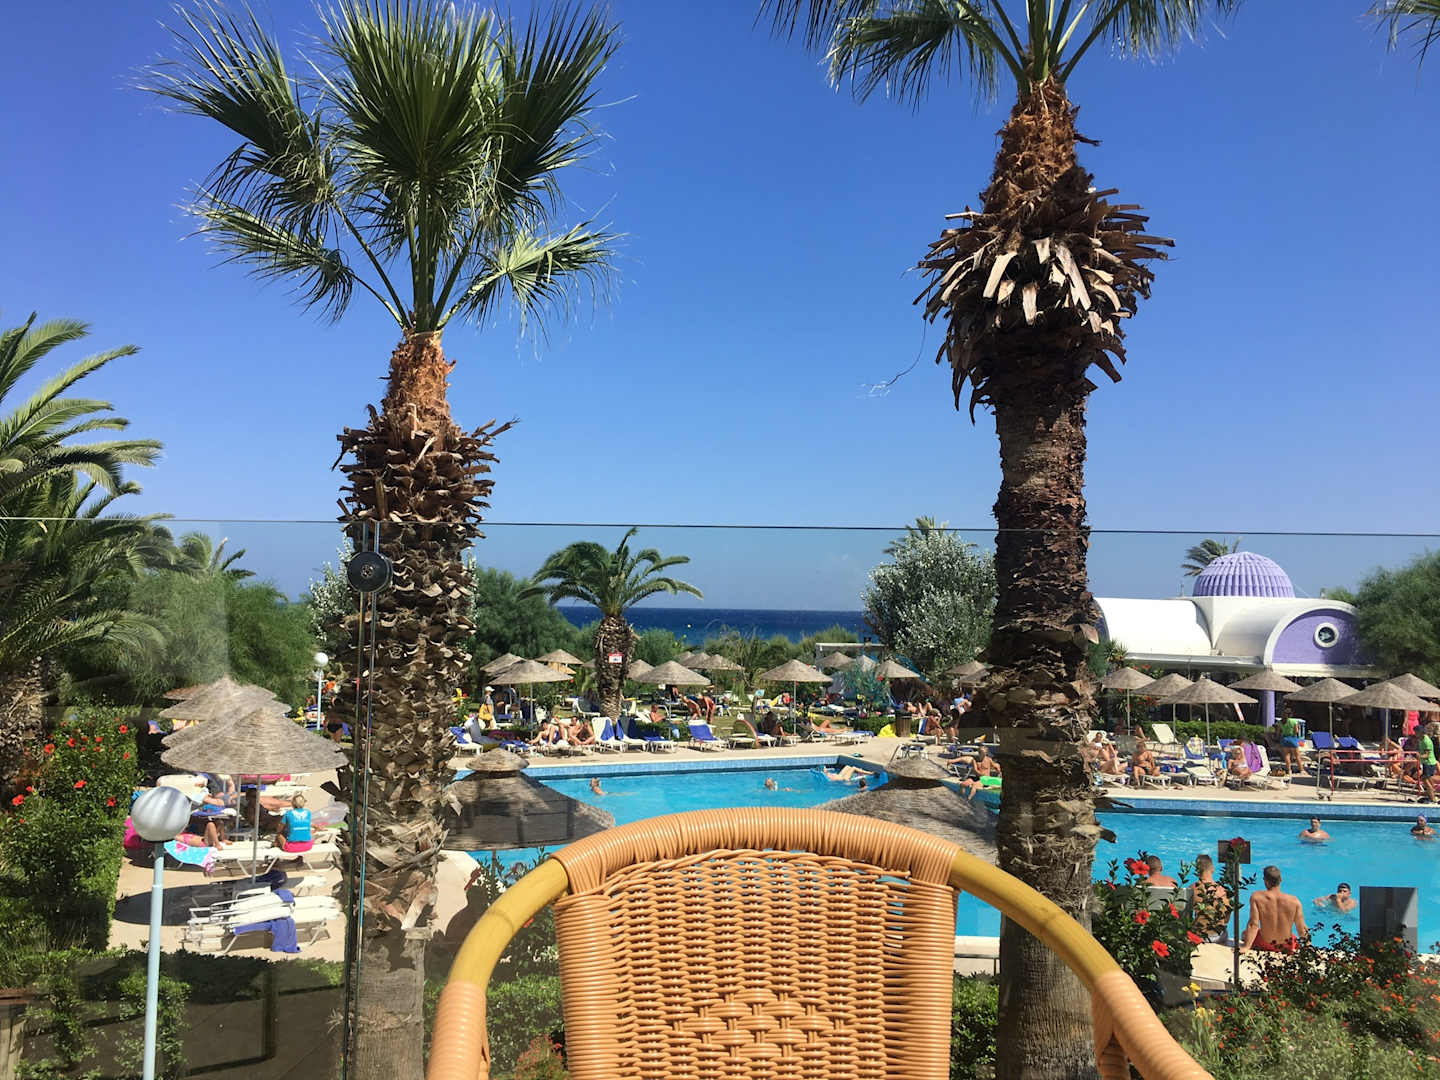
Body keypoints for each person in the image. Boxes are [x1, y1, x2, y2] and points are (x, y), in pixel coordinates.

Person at [1240, 865, 1307, 954]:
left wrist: (1246, 947)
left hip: (1265, 944)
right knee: (1293, 938)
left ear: (1265, 881)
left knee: (1244, 934)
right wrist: (1309, 948)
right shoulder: (1294, 901)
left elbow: (1253, 924)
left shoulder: (1257, 897)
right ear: (1281, 880)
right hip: (1287, 945)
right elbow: (1301, 928)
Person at [1190, 854, 1232, 942]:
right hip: (1219, 936)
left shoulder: (1192, 889)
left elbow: (1185, 916)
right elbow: (1226, 920)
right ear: (1212, 869)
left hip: (1200, 936)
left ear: (1197, 870)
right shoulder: (1224, 891)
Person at [1278, 707, 1304, 775]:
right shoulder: (1294, 721)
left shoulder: (1280, 722)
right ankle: (1301, 770)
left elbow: (1279, 732)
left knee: (1287, 755)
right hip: (1292, 738)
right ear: (1291, 714)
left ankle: (1289, 770)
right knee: (1297, 756)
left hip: (1285, 739)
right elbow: (1296, 731)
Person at [1418, 723, 1438, 803]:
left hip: (1429, 763)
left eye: (1416, 732)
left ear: (1420, 732)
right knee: (1428, 780)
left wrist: (1419, 756)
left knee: (1425, 779)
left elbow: (1427, 755)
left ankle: (1433, 798)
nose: (1415, 734)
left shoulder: (1427, 741)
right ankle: (1432, 796)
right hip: (1426, 763)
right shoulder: (1421, 739)